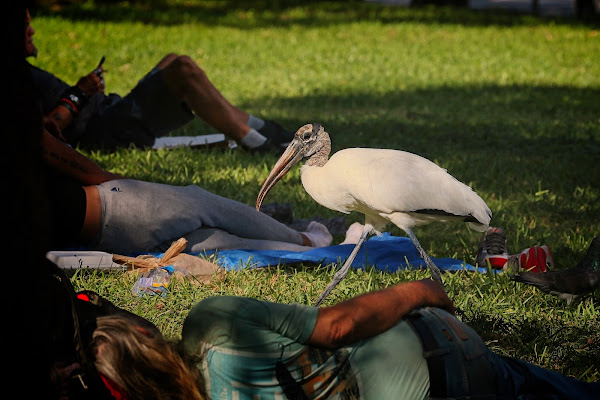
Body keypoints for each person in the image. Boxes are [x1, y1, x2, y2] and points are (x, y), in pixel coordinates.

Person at [87, 278, 599, 399]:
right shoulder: (210, 321)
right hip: (444, 358)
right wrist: (417, 289)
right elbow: (340, 326)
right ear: (142, 330)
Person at [25, 9, 293, 153]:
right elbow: (49, 129)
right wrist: (81, 92)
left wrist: (85, 92)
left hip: (107, 114)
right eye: (23, 25)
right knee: (183, 69)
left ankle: (259, 127)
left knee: (172, 59)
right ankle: (257, 143)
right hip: (105, 133)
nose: (32, 30)